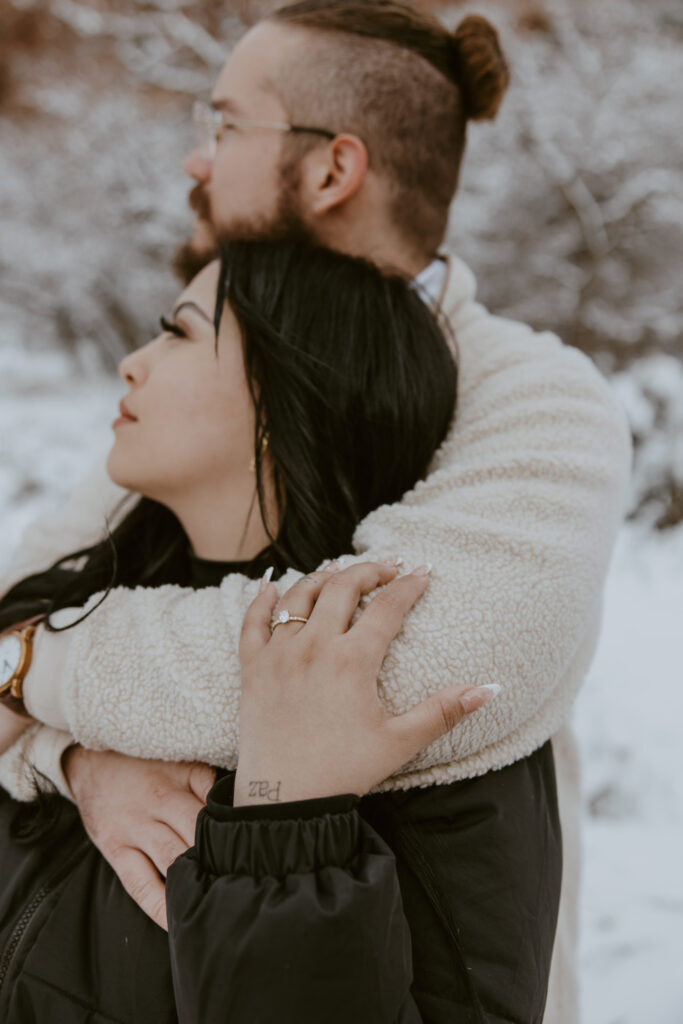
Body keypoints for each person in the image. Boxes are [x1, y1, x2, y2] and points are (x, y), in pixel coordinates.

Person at [0, 2, 632, 1021]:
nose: (193, 163)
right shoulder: (200, 398)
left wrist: (36, 671)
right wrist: (74, 756)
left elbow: (394, 663)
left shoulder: (531, 392)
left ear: (332, 169)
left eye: (224, 125)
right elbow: (18, 613)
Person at [0, 239, 513, 1023]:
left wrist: (287, 825)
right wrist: (68, 758)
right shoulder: (74, 604)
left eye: (177, 332)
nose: (130, 363)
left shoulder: (403, 708)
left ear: (284, 392)